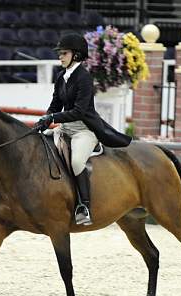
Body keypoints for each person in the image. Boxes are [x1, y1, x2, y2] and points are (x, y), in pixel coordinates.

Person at [34, 33, 132, 226]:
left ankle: (84, 207)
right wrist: (45, 119)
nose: (60, 57)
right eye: (60, 54)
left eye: (64, 53)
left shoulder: (84, 78)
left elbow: (79, 111)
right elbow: (55, 104)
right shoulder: (61, 76)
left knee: (77, 161)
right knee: (41, 146)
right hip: (65, 128)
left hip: (84, 130)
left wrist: (53, 118)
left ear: (76, 55)